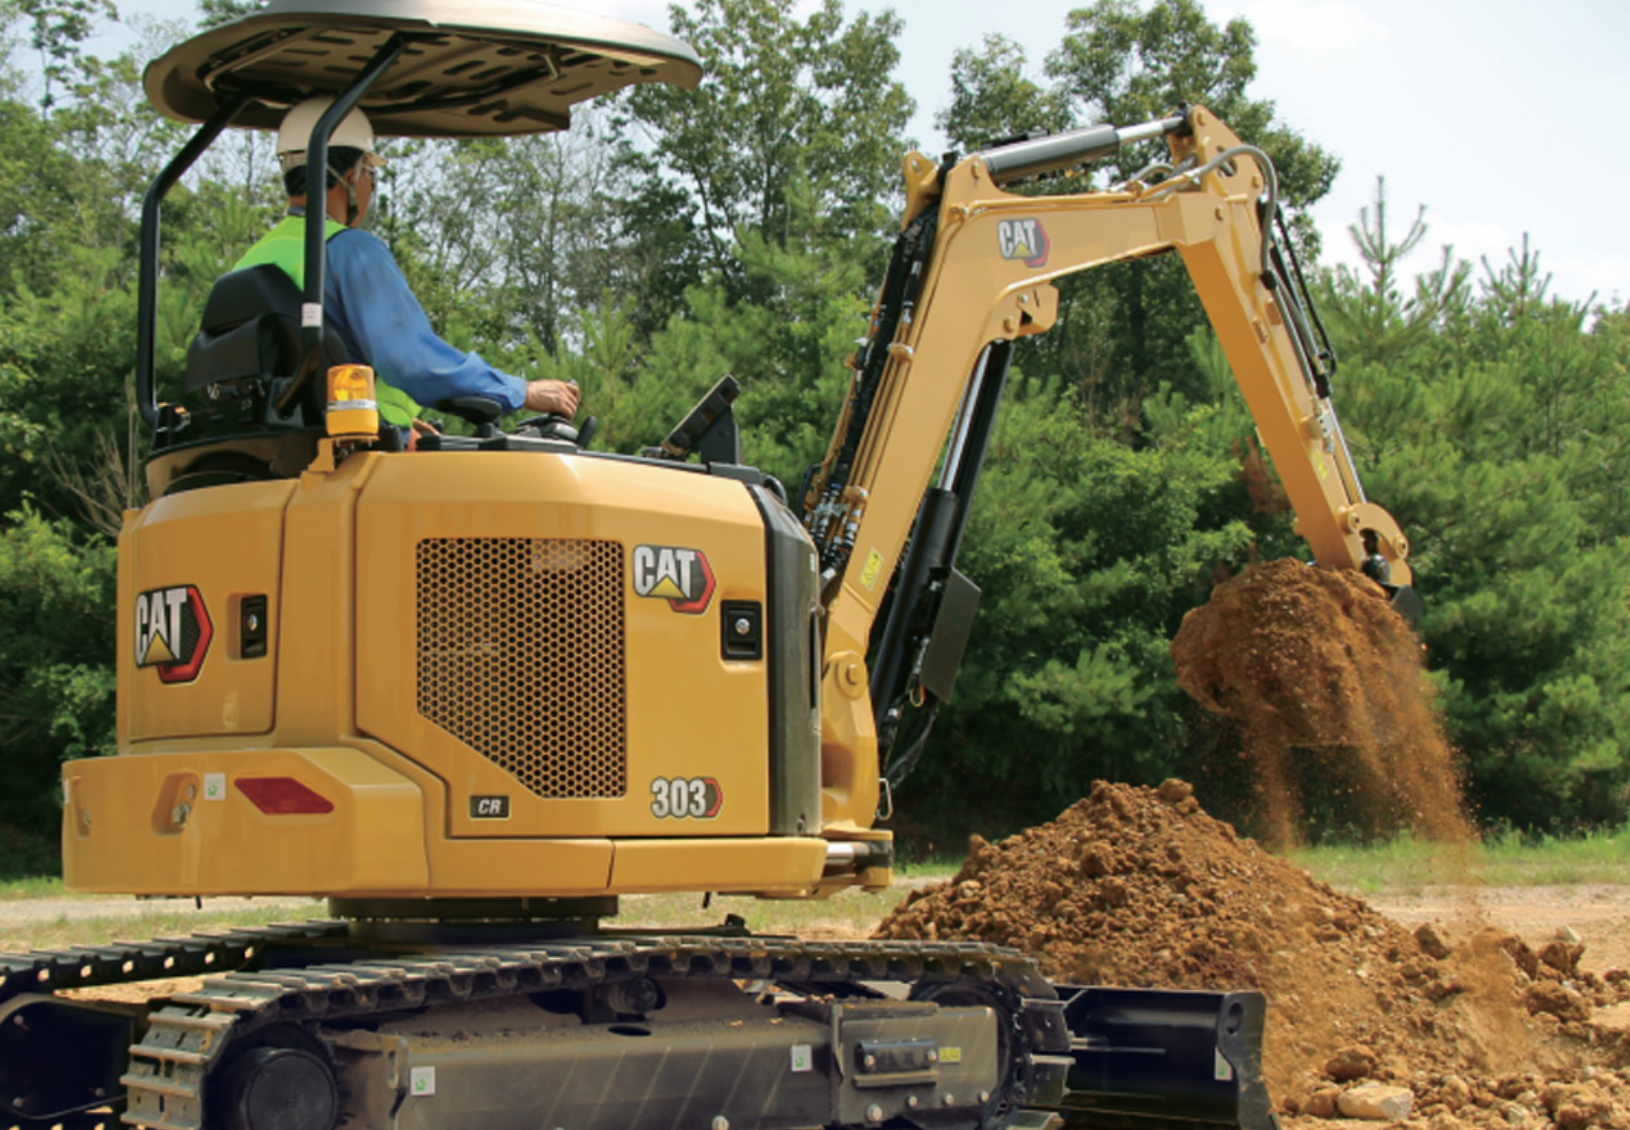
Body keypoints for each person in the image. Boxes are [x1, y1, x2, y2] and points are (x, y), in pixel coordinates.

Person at [233, 97, 579, 439]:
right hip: (352, 459)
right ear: (351, 178)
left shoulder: (247, 265)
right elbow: (412, 362)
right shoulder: (351, 252)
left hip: (283, 454)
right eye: (371, 173)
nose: (371, 184)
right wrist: (520, 391)